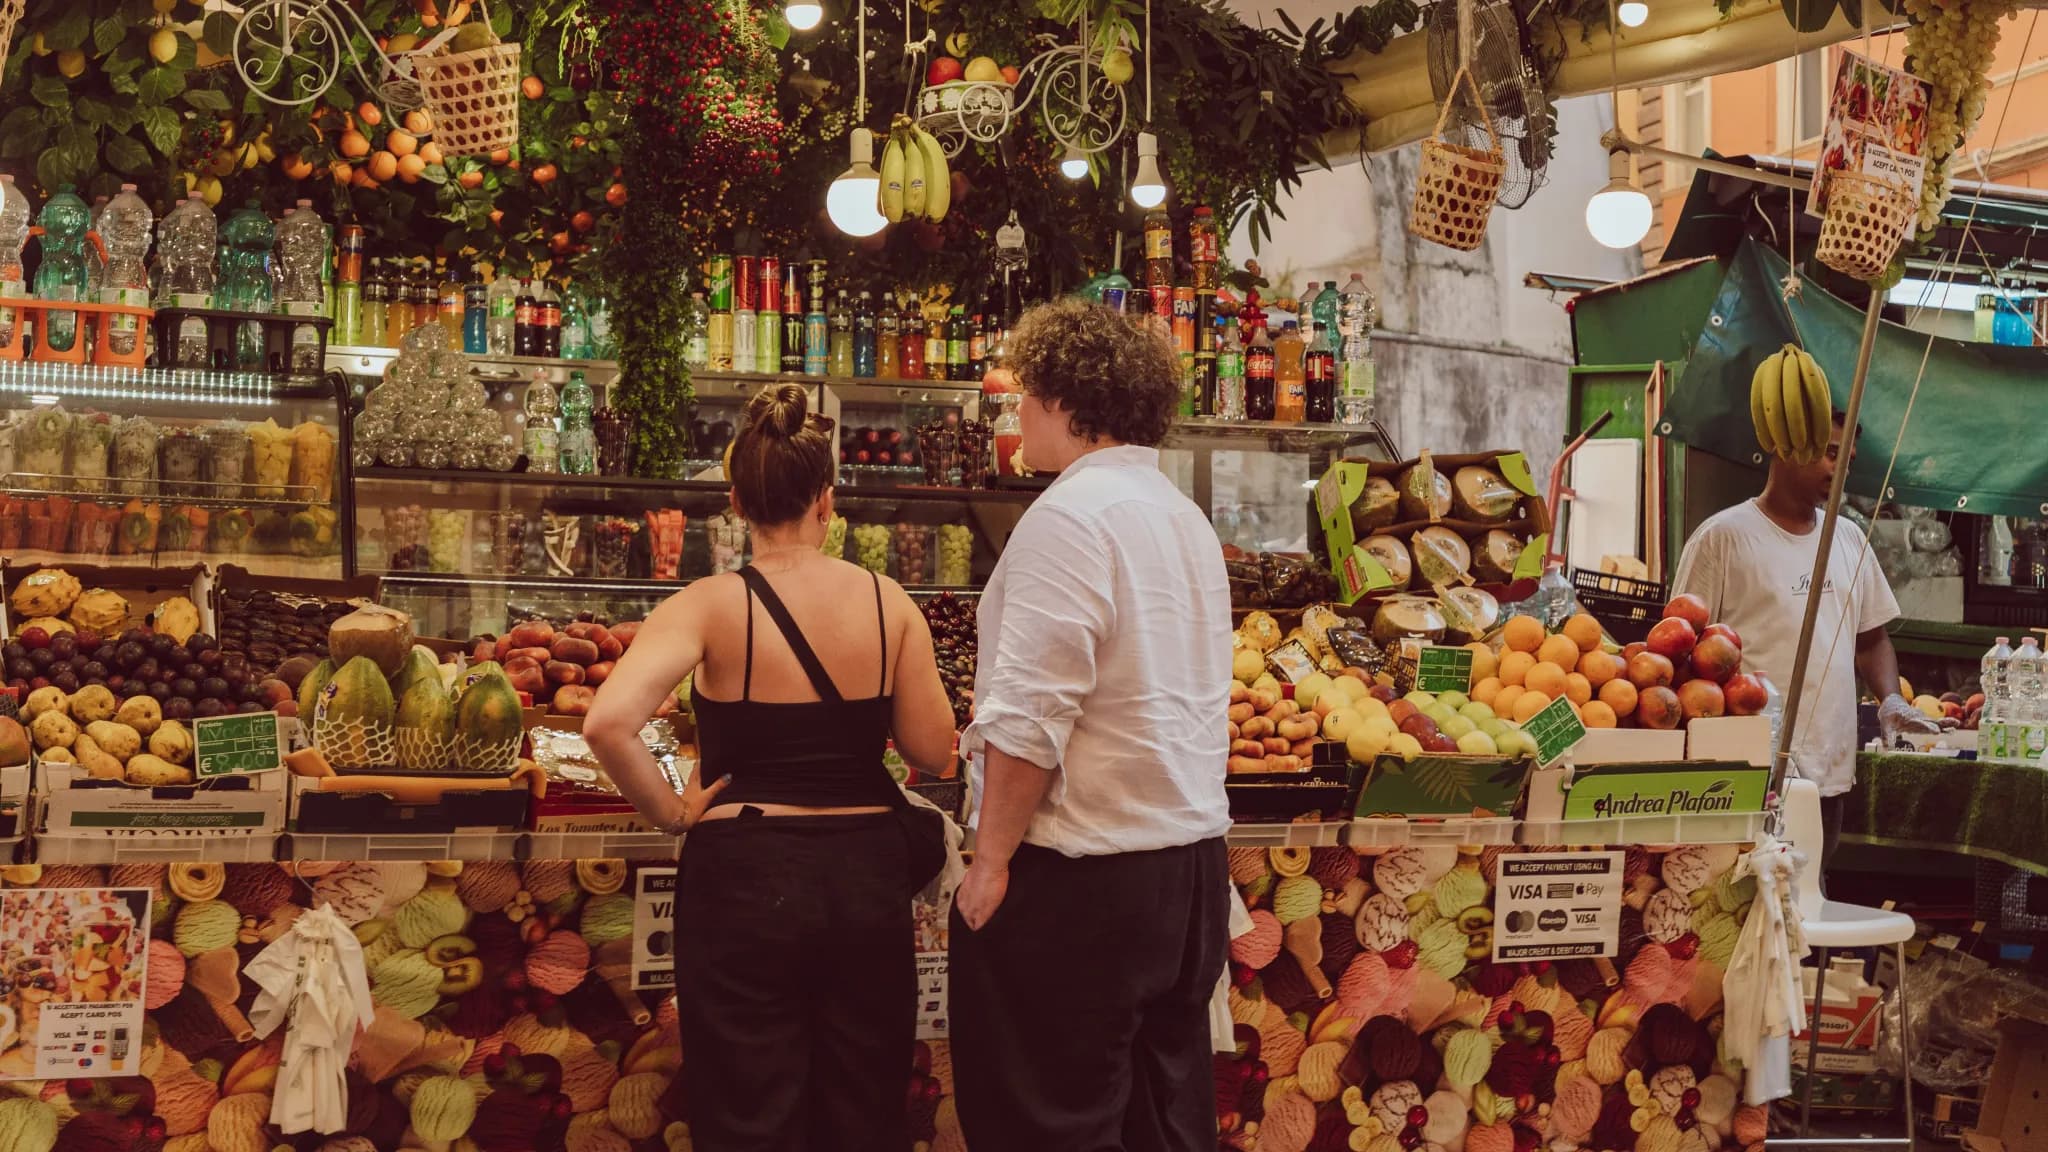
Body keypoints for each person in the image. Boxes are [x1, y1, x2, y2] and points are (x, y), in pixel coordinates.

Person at [583, 383, 956, 1152]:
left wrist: (671, 812)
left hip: (745, 876)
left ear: (734, 501)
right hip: (863, 878)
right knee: (863, 1102)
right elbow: (933, 751)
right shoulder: (891, 604)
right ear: (828, 500)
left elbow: (608, 723)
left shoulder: (707, 605)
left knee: (748, 1107)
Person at [949, 299, 1233, 1152]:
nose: (1018, 413)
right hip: (1187, 878)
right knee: (1162, 1123)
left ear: (1071, 404)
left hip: (1085, 881)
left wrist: (990, 859)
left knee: (1049, 1124)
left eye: (1027, 395)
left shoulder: (1069, 519)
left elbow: (1034, 714)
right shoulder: (1184, 519)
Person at [1671, 409, 1936, 874]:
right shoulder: (1724, 538)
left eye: (1848, 460)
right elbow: (1678, 649)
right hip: (1746, 774)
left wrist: (1890, 698)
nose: (1840, 470)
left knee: (1808, 915)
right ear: (1787, 447)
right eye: (1831, 453)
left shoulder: (1849, 538)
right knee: (1744, 913)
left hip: (1828, 774)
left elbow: (1871, 639)